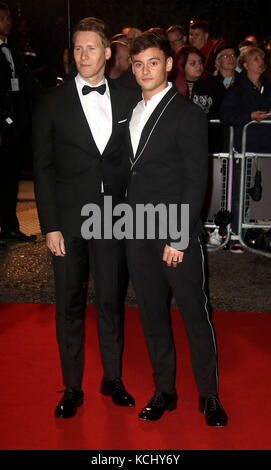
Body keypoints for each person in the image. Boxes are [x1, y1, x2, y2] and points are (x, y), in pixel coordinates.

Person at [33, 17, 140, 419]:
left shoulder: (129, 96)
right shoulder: (51, 101)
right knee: (69, 305)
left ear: (108, 53)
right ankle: (72, 386)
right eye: (77, 49)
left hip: (113, 218)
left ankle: (112, 378)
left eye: (91, 48)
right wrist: (50, 226)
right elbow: (42, 167)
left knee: (111, 301)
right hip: (68, 220)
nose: (83, 56)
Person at [125, 28, 227, 426]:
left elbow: (194, 180)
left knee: (194, 314)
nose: (145, 70)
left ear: (169, 65)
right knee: (152, 315)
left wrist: (180, 236)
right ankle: (164, 390)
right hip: (136, 232)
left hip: (174, 234)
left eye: (153, 62)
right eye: (138, 64)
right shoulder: (131, 113)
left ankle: (209, 395)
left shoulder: (187, 113)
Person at [220, 46, 271, 252]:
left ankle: (257, 232)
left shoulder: (267, 86)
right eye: (255, 58)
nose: (261, 61)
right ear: (245, 64)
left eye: (262, 58)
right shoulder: (237, 88)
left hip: (265, 150)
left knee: (262, 193)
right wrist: (249, 117)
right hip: (244, 149)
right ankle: (234, 234)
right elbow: (226, 116)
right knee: (239, 193)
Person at [0, 1, 39, 242]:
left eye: (8, 18)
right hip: (2, 126)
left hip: (15, 127)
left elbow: (25, 81)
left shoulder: (11, 49)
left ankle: (10, 227)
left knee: (10, 177)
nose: (8, 22)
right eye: (3, 18)